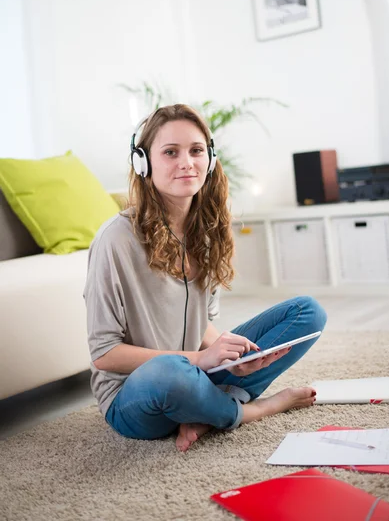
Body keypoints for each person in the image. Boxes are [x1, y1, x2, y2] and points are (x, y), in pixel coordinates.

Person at [84, 104, 327, 453]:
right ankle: (248, 410)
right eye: (170, 152)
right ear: (143, 163)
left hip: (194, 373)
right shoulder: (115, 239)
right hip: (135, 396)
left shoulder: (206, 231)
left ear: (210, 159)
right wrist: (199, 360)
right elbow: (104, 354)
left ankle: (206, 409)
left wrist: (228, 356)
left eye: (196, 150)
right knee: (170, 372)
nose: (187, 162)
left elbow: (200, 329)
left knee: (308, 312)